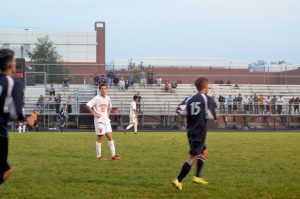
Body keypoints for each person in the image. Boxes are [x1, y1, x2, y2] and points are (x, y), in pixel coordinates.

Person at [172, 77, 217, 190]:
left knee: (204, 152)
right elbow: (213, 115)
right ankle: (178, 180)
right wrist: (214, 117)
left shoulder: (189, 98)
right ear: (205, 87)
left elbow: (179, 110)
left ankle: (197, 177)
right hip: (199, 132)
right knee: (193, 157)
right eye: (208, 86)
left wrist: (190, 116)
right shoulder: (207, 99)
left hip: (191, 130)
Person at [0, 49, 27, 185]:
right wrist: (28, 121)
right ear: (10, 65)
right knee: (5, 171)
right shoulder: (14, 83)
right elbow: (17, 114)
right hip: (1, 134)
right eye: (15, 61)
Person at [86, 83, 121, 160]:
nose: (103, 90)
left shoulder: (108, 98)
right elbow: (88, 105)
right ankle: (99, 156)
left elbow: (110, 107)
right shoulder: (97, 98)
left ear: (107, 90)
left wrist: (107, 115)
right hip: (99, 120)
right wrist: (94, 114)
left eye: (105, 88)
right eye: (102, 89)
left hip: (106, 119)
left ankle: (114, 155)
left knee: (110, 136)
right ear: (99, 90)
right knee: (100, 136)